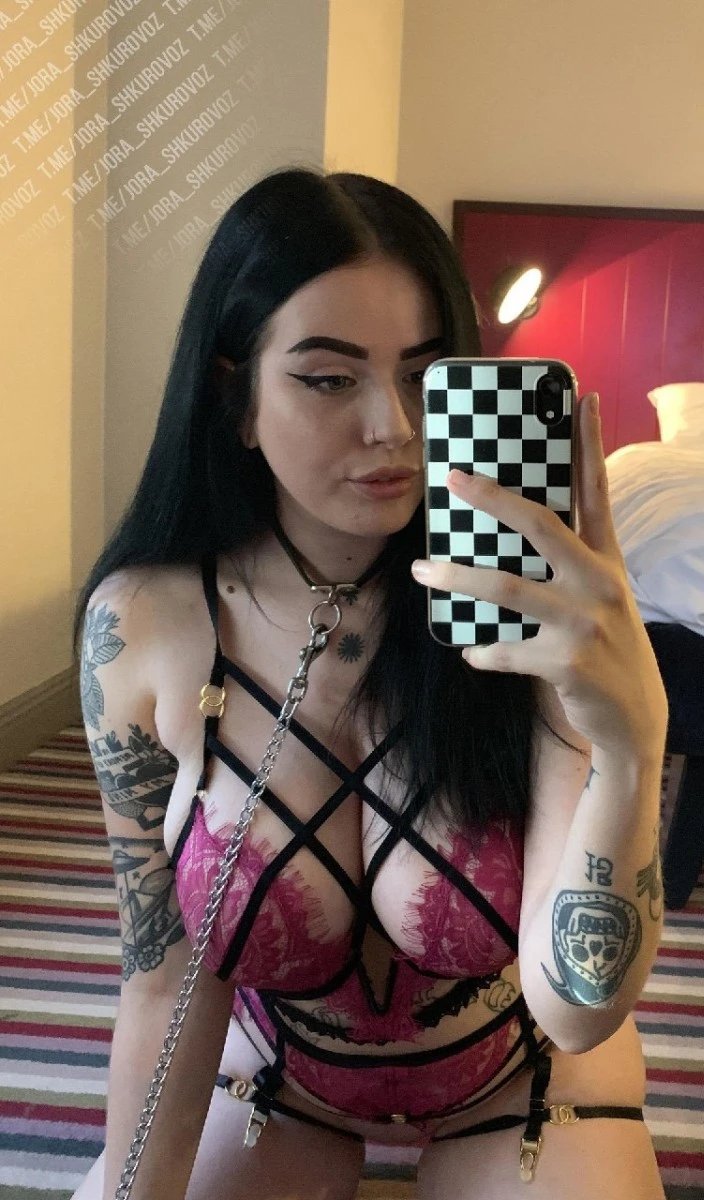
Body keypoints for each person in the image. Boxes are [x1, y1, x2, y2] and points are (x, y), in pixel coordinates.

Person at [70, 167, 669, 1200]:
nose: (393, 426)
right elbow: (164, 976)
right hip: (278, 1086)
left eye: (425, 375)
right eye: (327, 378)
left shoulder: (524, 608)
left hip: (525, 1082)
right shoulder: (146, 628)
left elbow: (574, 1008)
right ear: (236, 398)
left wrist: (630, 743)